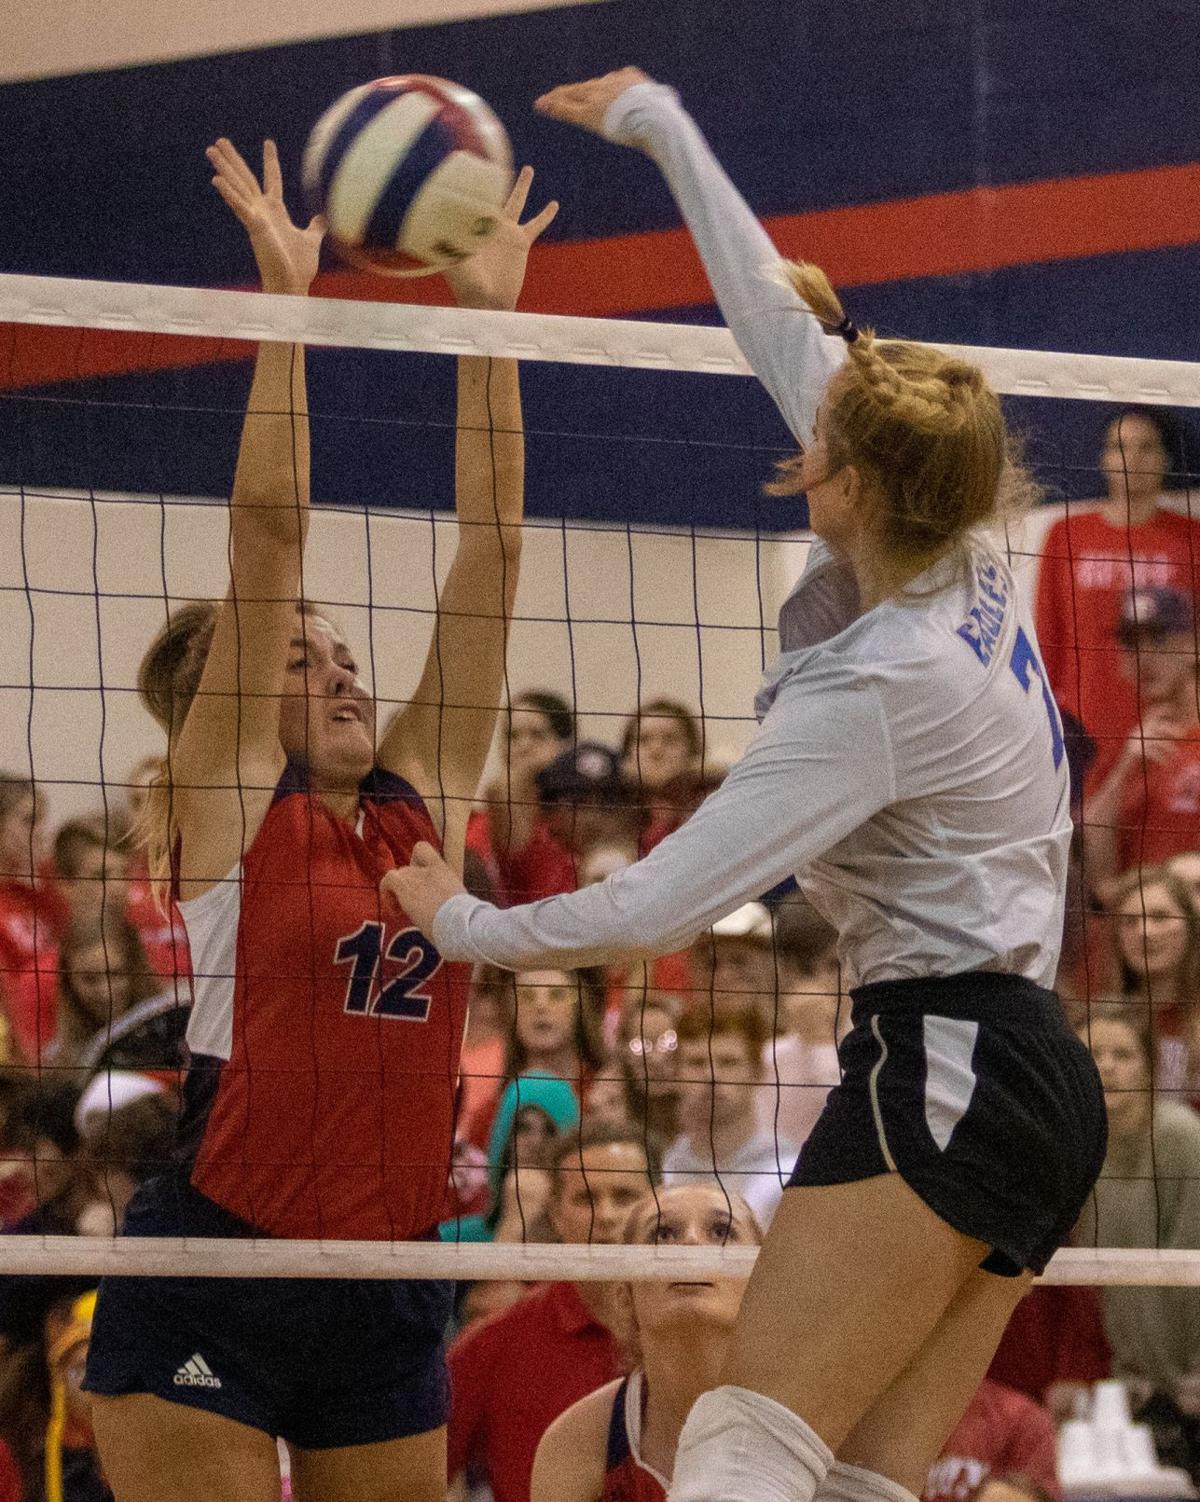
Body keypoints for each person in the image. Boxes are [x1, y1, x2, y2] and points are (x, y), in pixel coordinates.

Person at [386, 69, 1106, 1502]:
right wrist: (656, 120)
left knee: (740, 1445)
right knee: (855, 1477)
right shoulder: (960, 542)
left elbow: (657, 904)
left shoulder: (877, 682)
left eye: (823, 446)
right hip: (1036, 1074)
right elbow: (776, 319)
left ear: (858, 485)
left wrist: (455, 918)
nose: (802, 443)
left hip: (949, 1058)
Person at [81, 138, 557, 1502]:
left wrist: (490, 322)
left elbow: (497, 546)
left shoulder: (422, 800)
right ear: (233, 700)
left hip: (390, 1275)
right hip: (220, 1264)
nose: (340, 669)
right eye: (302, 660)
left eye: (343, 653)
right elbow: (270, 533)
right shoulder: (228, 810)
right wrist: (287, 306)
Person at [447, 1122, 660, 1502]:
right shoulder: (493, 1343)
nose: (607, 1215)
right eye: (587, 1199)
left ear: (657, 1208)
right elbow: (422, 1471)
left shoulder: (693, 1331)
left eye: (625, 1195)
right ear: (556, 1215)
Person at [531, 1184, 763, 1502]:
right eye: (663, 1234)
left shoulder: (816, 1417)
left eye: (721, 1230)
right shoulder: (579, 1440)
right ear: (626, 1294)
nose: (692, 1242)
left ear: (762, 1282)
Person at [1035, 406, 1200, 776]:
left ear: (1165, 459)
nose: (1133, 459)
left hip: (1167, 727)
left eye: (1147, 447)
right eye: (1120, 446)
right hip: (1082, 727)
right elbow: (1048, 637)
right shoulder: (1065, 534)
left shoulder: (1192, 539)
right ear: (1104, 458)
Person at [1077, 1005, 1200, 1468]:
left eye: (1122, 1054)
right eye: (1093, 1054)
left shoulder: (1180, 1136)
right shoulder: (1086, 1148)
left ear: (1149, 1065)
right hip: (1141, 1387)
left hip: (1191, 1377)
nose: (1106, 1066)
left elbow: (1192, 1264)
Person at [1081, 587, 1200, 891]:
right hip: (1135, 929)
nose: (1143, 657)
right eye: (1131, 642)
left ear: (1192, 645)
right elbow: (1097, 878)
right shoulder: (1121, 752)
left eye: (1158, 639)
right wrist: (1123, 771)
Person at [665, 1002, 799, 1228]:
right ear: (675, 1075)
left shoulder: (791, 1171)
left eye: (728, 1062)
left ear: (757, 1073)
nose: (711, 1075)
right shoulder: (663, 1166)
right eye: (697, 1063)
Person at [466, 690, 576, 904]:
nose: (523, 746)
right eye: (512, 736)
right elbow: (500, 790)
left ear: (567, 744)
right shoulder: (475, 824)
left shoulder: (573, 823)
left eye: (537, 735)